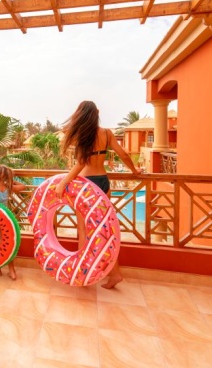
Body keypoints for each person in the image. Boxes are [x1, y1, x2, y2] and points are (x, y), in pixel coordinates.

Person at [55, 100, 141, 289]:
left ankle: (82, 274)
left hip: (87, 186)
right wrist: (135, 171)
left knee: (83, 230)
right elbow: (124, 155)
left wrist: (62, 183)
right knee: (105, 230)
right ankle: (115, 273)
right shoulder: (107, 134)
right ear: (97, 113)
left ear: (80, 114)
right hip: (103, 182)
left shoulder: (83, 135)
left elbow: (80, 164)